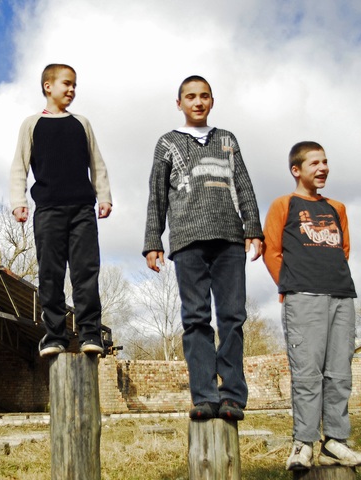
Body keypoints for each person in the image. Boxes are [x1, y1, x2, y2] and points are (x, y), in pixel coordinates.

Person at [142, 75, 263, 422]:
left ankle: (232, 396)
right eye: (190, 97)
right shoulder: (167, 143)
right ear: (178, 103)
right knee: (195, 319)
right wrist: (153, 240)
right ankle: (205, 396)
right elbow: (157, 196)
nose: (198, 102)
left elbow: (244, 184)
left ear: (212, 101)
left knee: (232, 318)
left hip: (229, 239)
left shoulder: (227, 140)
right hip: (187, 241)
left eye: (204, 96)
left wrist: (253, 228)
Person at [263, 141, 361, 470]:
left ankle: (336, 441)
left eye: (325, 162)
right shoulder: (284, 204)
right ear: (297, 170)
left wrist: (330, 279)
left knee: (339, 374)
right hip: (303, 298)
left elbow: (344, 249)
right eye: (314, 163)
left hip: (341, 296)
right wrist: (293, 285)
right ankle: (303, 443)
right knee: (307, 375)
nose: (322, 168)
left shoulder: (337, 208)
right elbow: (271, 250)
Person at [10, 63, 112, 358]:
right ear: (48, 86)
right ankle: (55, 335)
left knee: (85, 272)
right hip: (48, 211)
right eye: (67, 84)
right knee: (51, 274)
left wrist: (103, 196)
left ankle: (91, 333)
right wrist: (19, 201)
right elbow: (19, 165)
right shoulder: (32, 124)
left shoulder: (81, 123)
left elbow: (97, 163)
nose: (71, 90)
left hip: (82, 209)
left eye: (75, 86)